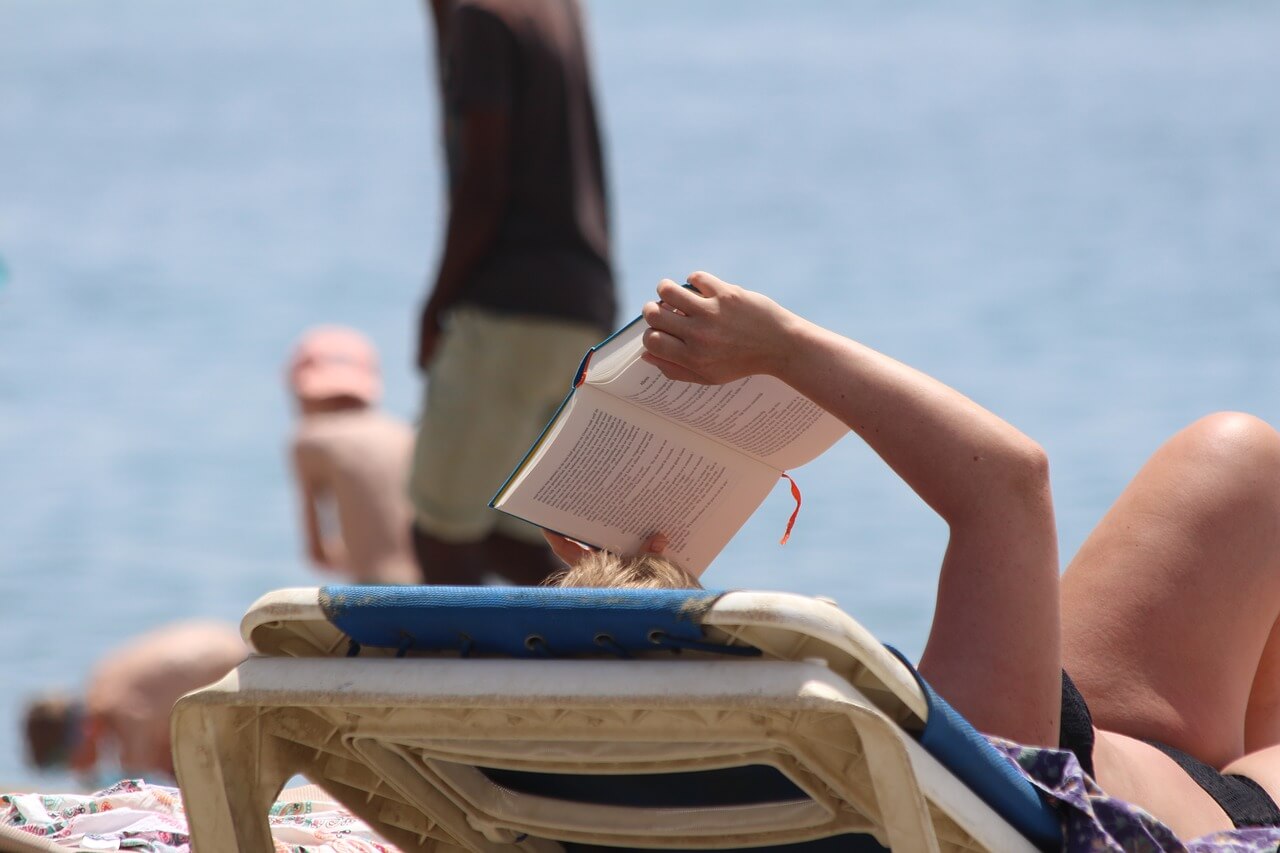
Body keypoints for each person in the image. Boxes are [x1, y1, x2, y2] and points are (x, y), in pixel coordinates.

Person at [541, 270, 1280, 840]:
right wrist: (782, 348)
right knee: (1242, 460)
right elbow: (1009, 484)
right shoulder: (952, 767)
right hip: (1204, 810)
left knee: (1240, 464)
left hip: (1108, 743)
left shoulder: (539, 808)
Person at [409, 0, 616, 586]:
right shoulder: (554, 9)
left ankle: (453, 677)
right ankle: (581, 666)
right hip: (578, 309)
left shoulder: (482, 16)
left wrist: (435, 306)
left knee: (439, 533)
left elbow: (481, 183)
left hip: (508, 311)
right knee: (522, 542)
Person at [23, 620, 247, 784]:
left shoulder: (119, 705)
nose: (74, 770)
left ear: (78, 734)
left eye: (62, 762)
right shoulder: (103, 681)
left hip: (240, 679)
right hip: (235, 658)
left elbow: (138, 781)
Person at [287, 325, 419, 585]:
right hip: (436, 584)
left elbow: (318, 554)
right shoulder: (403, 434)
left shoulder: (310, 440)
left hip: (375, 594)